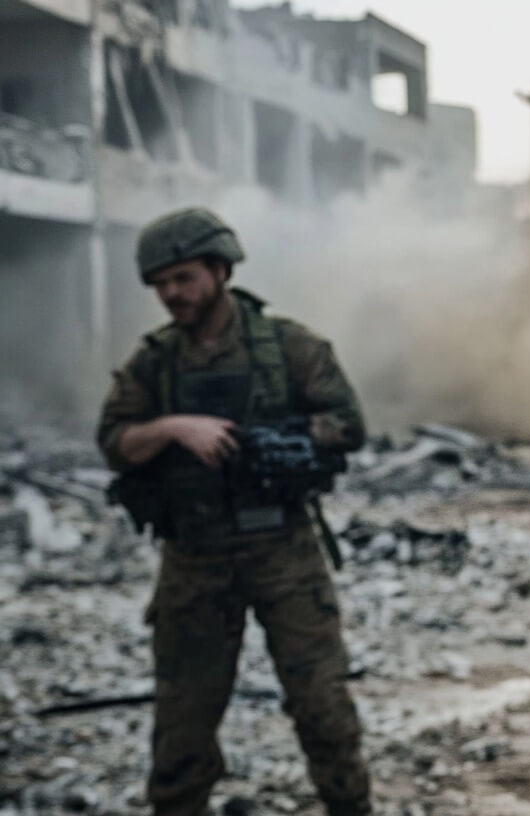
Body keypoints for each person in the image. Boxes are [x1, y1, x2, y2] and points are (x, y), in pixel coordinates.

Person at [97, 207, 372, 816]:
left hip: (283, 552)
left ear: (220, 270)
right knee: (182, 726)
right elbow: (114, 441)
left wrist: (278, 437)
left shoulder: (290, 346)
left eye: (184, 278)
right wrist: (173, 428)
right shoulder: (154, 362)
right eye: (161, 284)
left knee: (323, 709)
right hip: (194, 558)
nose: (171, 294)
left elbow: (348, 426)